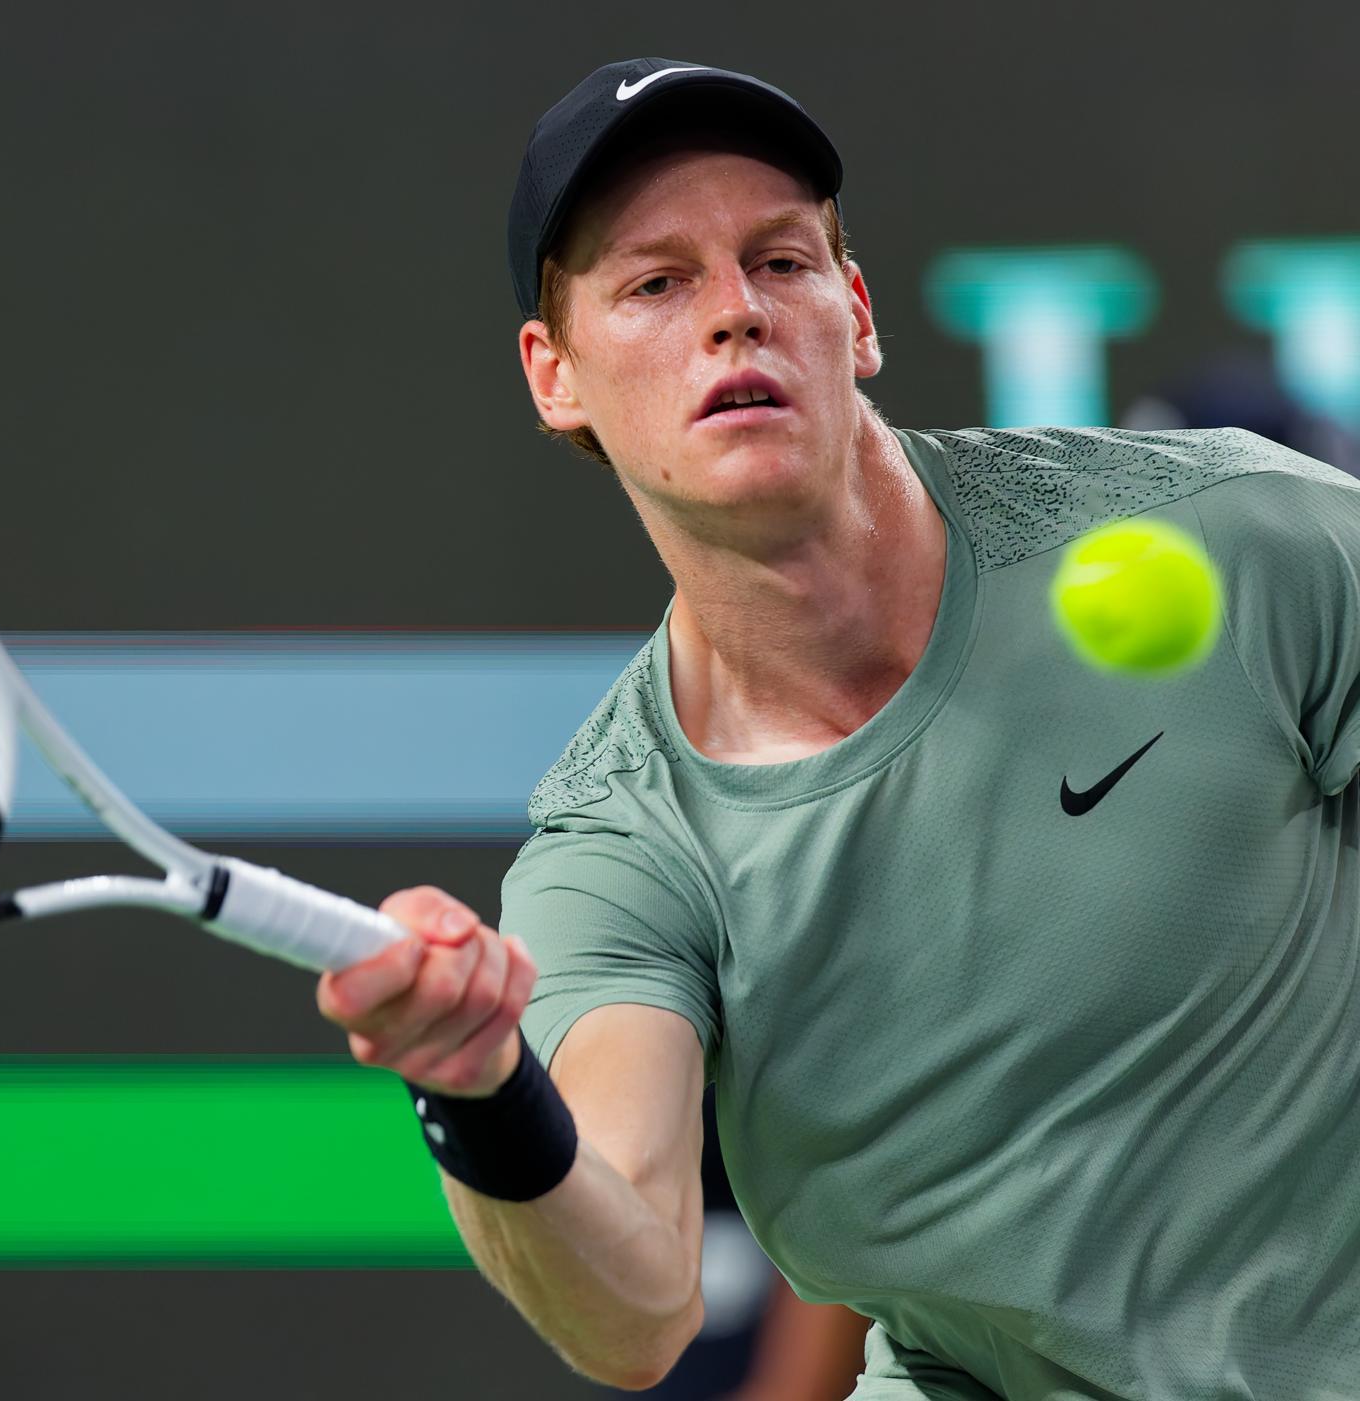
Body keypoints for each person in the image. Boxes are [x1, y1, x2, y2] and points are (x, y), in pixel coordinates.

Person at [318, 56, 1360, 1398]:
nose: (735, 314)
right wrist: (475, 1088)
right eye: (655, 283)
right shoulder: (623, 851)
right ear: (554, 375)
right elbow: (632, 1307)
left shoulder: (1239, 535)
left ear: (855, 313)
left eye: (781, 262)